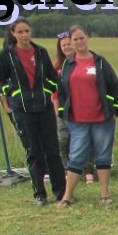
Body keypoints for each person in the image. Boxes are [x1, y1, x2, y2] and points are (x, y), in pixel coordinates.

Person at [0, 17, 66, 206]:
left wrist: (47, 90)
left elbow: (53, 77)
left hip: (44, 108)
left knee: (53, 151)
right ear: (13, 34)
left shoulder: (40, 52)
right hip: (23, 110)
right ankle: (39, 194)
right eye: (20, 32)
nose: (25, 35)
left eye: (27, 31)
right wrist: (12, 92)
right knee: (33, 152)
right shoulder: (7, 54)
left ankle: (61, 192)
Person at [55, 25, 118, 207]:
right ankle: (67, 196)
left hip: (102, 119)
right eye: (75, 39)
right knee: (76, 156)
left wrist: (115, 109)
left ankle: (105, 193)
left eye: (81, 38)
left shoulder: (99, 62)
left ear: (87, 38)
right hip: (77, 121)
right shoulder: (67, 64)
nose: (79, 42)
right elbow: (61, 91)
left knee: (103, 156)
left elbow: (114, 86)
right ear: (71, 42)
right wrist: (62, 110)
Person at [53, 32, 75, 169]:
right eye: (64, 45)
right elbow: (54, 91)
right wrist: (56, 110)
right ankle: (65, 168)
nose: (67, 47)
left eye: (69, 44)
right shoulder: (56, 67)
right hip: (62, 108)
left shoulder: (82, 61)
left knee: (78, 138)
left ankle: (83, 167)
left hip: (78, 107)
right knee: (62, 139)